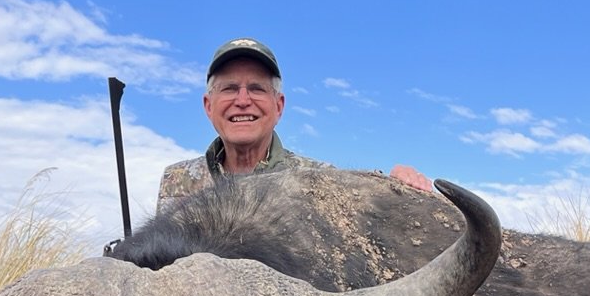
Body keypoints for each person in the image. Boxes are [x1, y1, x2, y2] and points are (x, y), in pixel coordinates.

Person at [157, 37, 431, 211]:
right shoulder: (176, 180)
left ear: (279, 106)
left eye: (257, 88)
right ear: (208, 106)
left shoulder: (320, 180)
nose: (242, 100)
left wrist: (396, 187)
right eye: (229, 88)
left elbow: (368, 206)